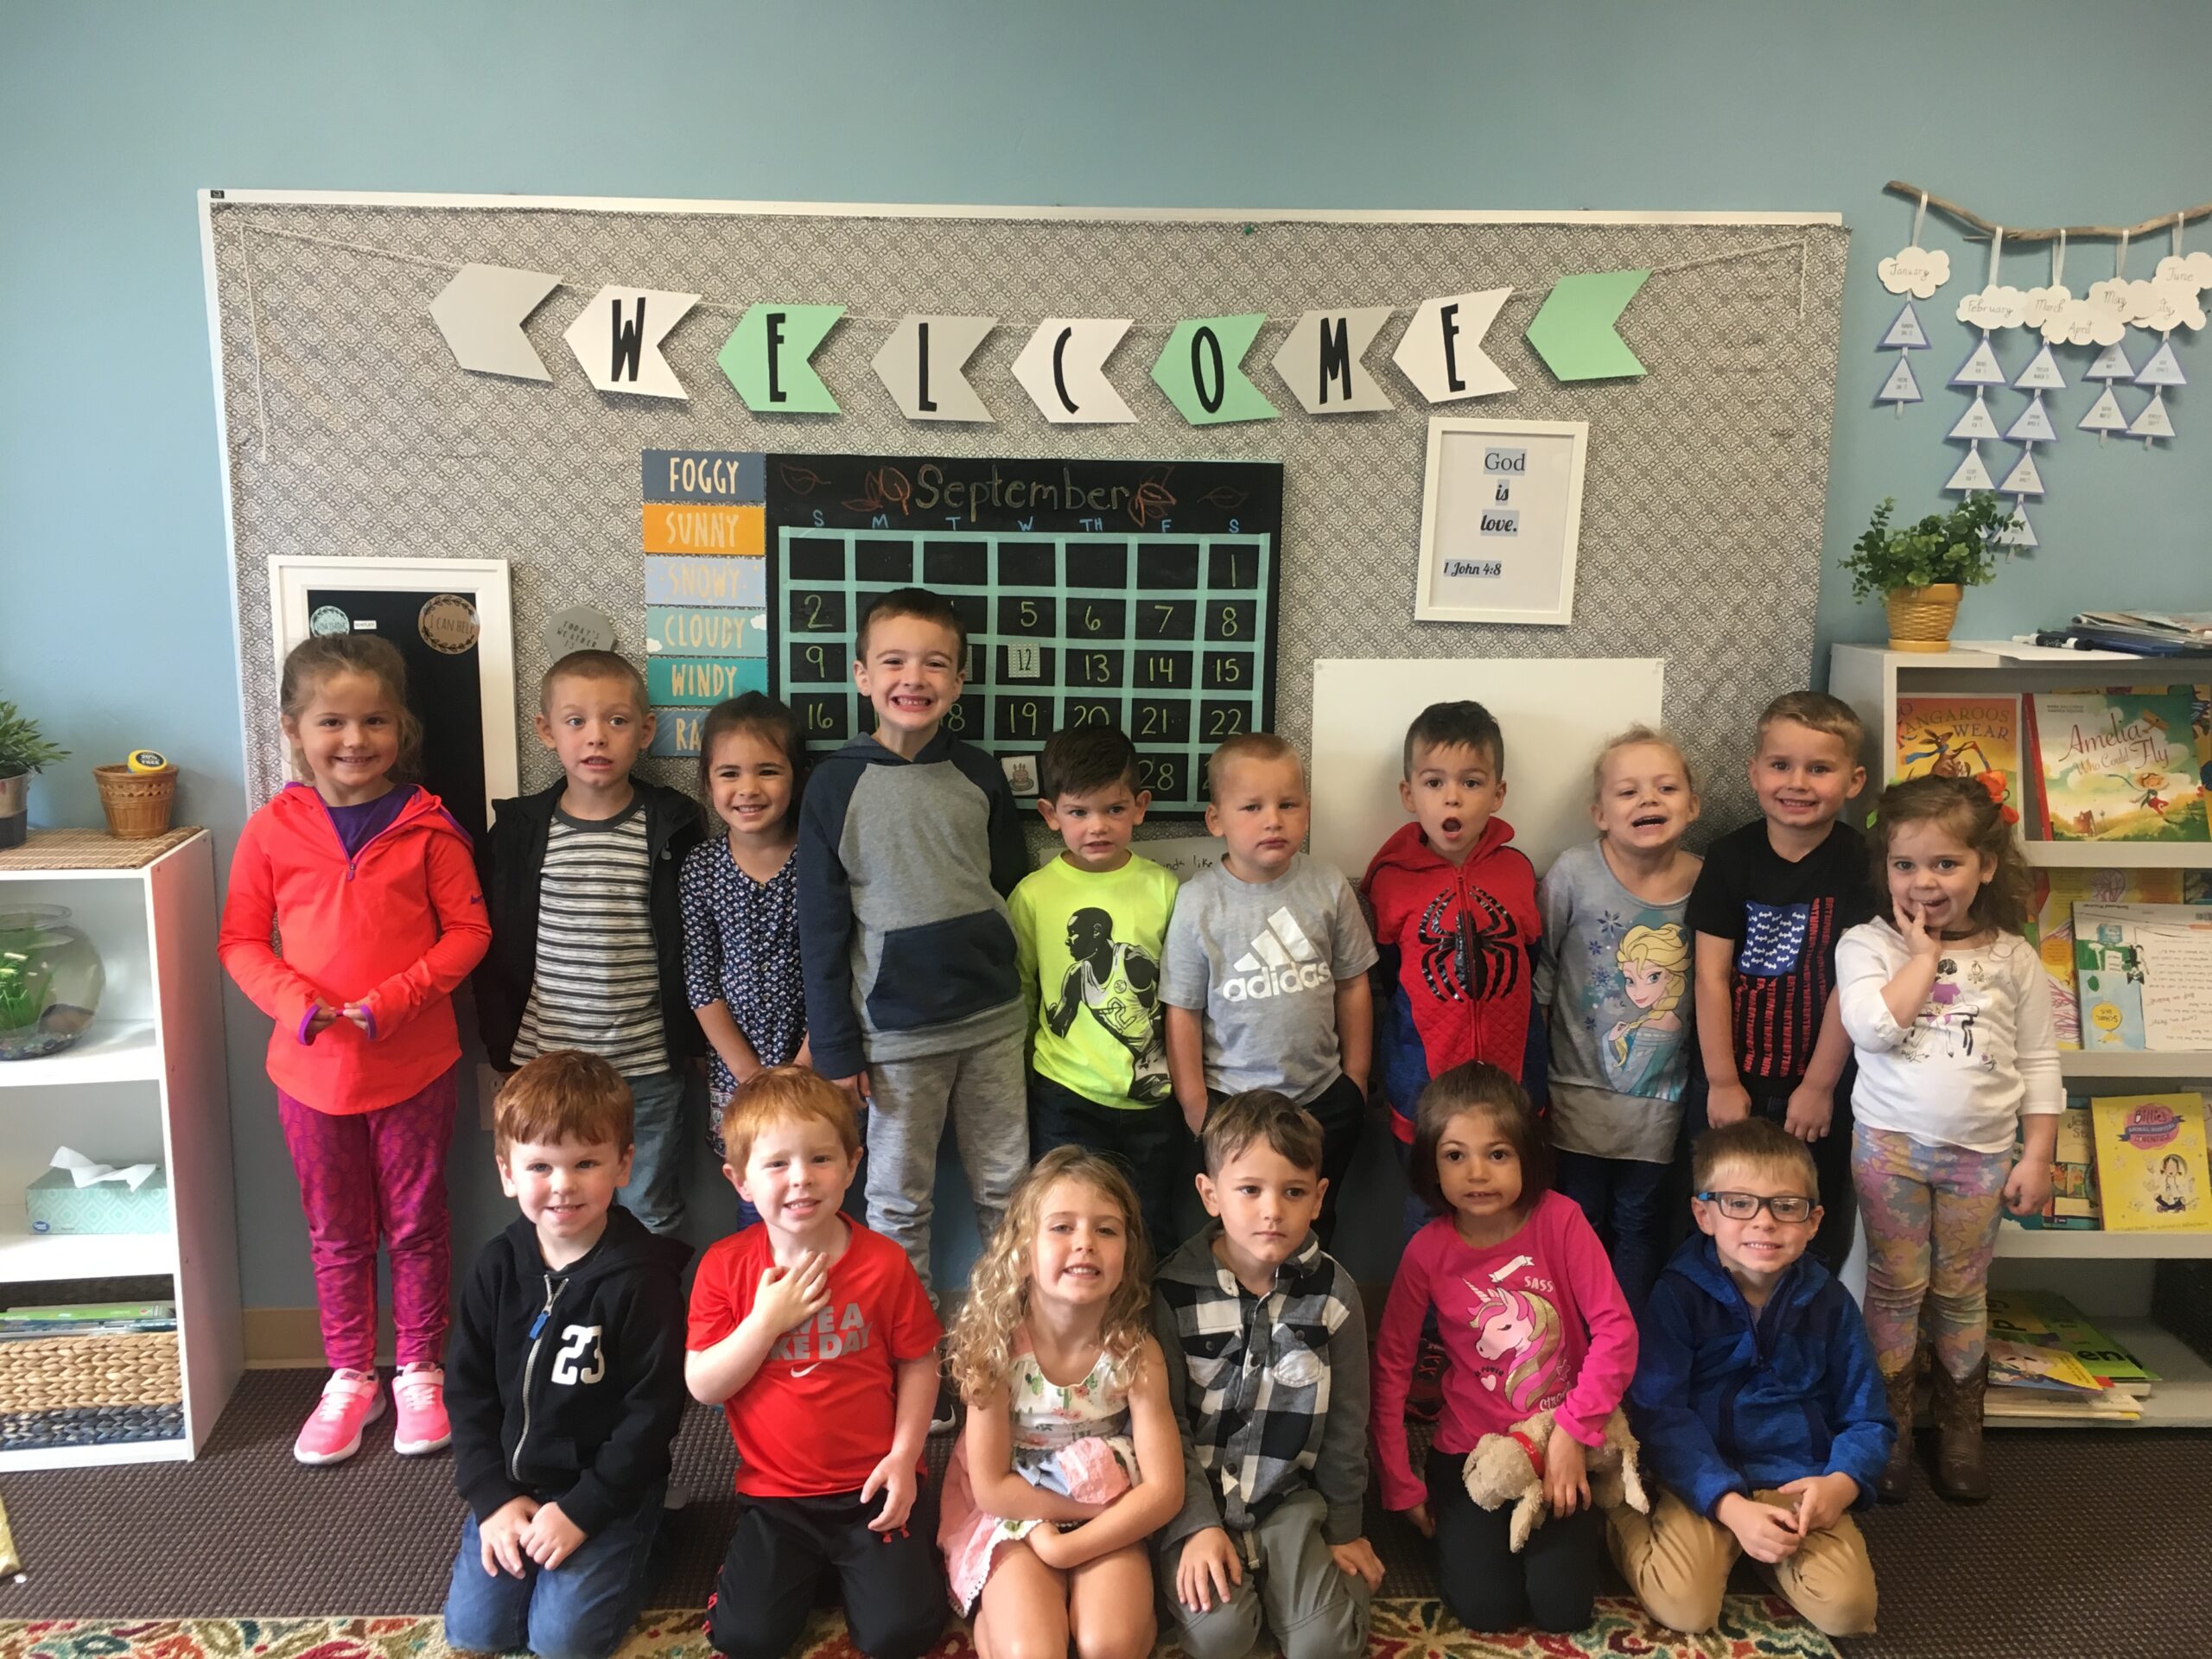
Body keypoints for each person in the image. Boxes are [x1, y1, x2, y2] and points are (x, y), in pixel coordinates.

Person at [219, 632, 492, 1465]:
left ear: (401, 726)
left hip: (414, 1066)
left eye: (374, 720)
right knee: (335, 1232)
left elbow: (469, 932)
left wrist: (397, 999)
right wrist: (294, 1003)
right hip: (310, 1075)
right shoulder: (271, 830)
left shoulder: (429, 827)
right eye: (332, 721)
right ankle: (348, 1376)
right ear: (293, 729)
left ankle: (418, 1370)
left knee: (416, 1223)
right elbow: (240, 940)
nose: (354, 739)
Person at [797, 587, 1030, 1329]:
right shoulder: (834, 784)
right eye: (894, 661)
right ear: (862, 675)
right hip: (895, 1035)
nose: (914, 678)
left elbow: (1011, 885)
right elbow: (820, 929)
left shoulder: (979, 772)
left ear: (959, 681)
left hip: (994, 1021)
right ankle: (912, 1348)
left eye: (935, 664)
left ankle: (1011, 1337)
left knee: (1007, 1189)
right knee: (898, 1200)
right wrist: (836, 1049)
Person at [1835, 772, 2057, 1503]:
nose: (1924, 882)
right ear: (1886, 869)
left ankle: (1961, 1430)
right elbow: (1873, 1027)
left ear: (1985, 866)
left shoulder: (2015, 958)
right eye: (1905, 864)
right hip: (1890, 1149)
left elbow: (2039, 1061)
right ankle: (1888, 1431)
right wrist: (1924, 958)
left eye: (1946, 863)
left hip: (1981, 1156)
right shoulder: (1866, 945)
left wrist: (2038, 1153)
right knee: (1894, 1290)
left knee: (1961, 1293)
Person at [687, 1068, 947, 1659]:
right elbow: (703, 1385)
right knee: (746, 1639)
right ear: (740, 1181)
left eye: (820, 1158)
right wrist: (765, 1323)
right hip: (777, 1497)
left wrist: (905, 1458)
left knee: (900, 1635)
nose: (801, 1177)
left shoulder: (883, 1263)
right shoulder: (724, 1268)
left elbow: (919, 1361)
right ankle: (813, 1571)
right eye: (777, 1164)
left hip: (873, 1485)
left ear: (852, 1166)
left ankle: (849, 1569)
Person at [1370, 1062, 1637, 1636]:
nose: (1476, 1174)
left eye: (1497, 1154)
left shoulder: (1561, 1221)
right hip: (1470, 1451)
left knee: (1562, 1611)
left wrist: (1572, 1432)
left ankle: (1607, 1522)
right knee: (1487, 1610)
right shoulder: (1426, 1251)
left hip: (1557, 1440)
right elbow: (1390, 1367)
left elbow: (1617, 1332)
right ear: (1431, 1165)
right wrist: (1399, 1480)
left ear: (1526, 1156)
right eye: (1454, 1155)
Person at [442, 1052, 690, 1659]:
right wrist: (492, 1498)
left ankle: (655, 1531)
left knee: (563, 1644)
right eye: (540, 1166)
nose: (562, 1185)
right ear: (507, 1172)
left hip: (608, 1488)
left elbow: (652, 1413)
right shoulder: (496, 1268)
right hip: (514, 1483)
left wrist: (585, 1509)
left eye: (585, 1163)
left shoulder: (644, 1280)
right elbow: (467, 1392)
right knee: (477, 1633)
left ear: (623, 1164)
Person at [1610, 1119, 1891, 1639]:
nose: (1764, 1222)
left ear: (1813, 1221)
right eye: (1739, 1204)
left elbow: (1869, 1416)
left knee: (1849, 1612)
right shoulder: (1678, 1295)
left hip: (1796, 1480)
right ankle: (1617, 1511)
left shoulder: (1832, 1304)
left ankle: (1757, 1550)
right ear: (1704, 1214)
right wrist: (1729, 1506)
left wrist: (1842, 1483)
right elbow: (1659, 1412)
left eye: (1786, 1206)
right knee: (1686, 1610)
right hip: (1703, 1480)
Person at [476, 650, 705, 1236]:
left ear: (645, 732)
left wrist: (693, 1040)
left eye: (617, 721)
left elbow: (695, 942)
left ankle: (645, 1301)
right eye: (576, 720)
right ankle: (567, 1299)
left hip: (647, 1064)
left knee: (649, 1210)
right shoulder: (522, 831)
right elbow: (494, 950)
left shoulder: (674, 824)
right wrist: (501, 1048)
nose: (596, 736)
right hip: (547, 1064)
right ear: (546, 731)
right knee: (558, 1210)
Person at [1152, 1091, 1381, 1659]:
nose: (1272, 1210)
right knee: (1222, 1638)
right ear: (1211, 1194)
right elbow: (1164, 1426)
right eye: (1250, 1190)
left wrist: (1346, 1529)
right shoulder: (1172, 1292)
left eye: (1293, 1192)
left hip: (1290, 1503)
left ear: (1318, 1198)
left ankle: (1311, 1592)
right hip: (1199, 1499)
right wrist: (1195, 1525)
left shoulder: (1336, 1296)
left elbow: (1348, 1424)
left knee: (1324, 1648)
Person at [938, 1147, 1184, 1659]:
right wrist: (1057, 1529)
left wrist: (1070, 1545)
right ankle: (994, 1624)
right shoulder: (995, 1348)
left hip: (1110, 1506)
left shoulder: (1137, 1354)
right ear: (1022, 1250)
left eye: (1106, 1230)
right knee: (1032, 1652)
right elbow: (992, 1489)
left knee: (1108, 1646)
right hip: (1017, 1511)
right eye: (1062, 1227)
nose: (1085, 1243)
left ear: (1127, 1255)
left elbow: (1164, 1491)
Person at [1686, 690, 1875, 1273]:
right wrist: (1722, 1080)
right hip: (1731, 1081)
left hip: (1818, 1085)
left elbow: (1853, 983)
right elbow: (1710, 975)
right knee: (1720, 1219)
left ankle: (1801, 1323)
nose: (1797, 783)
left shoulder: (1862, 863)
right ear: (1754, 773)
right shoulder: (1728, 857)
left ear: (1854, 780)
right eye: (1780, 765)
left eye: (1819, 768)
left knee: (1810, 1226)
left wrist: (1818, 1086)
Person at [1163, 734, 1376, 1244]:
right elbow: (1182, 1011)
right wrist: (1196, 1105)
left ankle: (1312, 1297)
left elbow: (1353, 984)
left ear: (1307, 811)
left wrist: (1356, 1079)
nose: (1273, 820)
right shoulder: (1197, 902)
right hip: (1232, 1105)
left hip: (1321, 1097)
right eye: (1252, 807)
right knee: (1241, 1231)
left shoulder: (1328, 886)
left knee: (1315, 1221)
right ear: (1216, 820)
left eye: (1288, 805)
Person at [1537, 726, 1703, 1306]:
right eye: (1628, 791)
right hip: (1575, 1089)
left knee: (1637, 1221)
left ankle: (1625, 1340)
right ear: (1599, 814)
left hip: (1658, 1100)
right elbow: (1544, 971)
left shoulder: (1707, 882)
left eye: (1665, 788)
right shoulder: (1574, 873)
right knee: (1578, 1218)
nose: (1648, 799)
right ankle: (1573, 1334)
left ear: (1692, 805)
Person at [1012, 724, 1185, 1250]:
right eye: (1078, 812)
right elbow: (1024, 993)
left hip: (1152, 1098)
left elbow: (1183, 995)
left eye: (1114, 809)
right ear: (1050, 814)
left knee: (1147, 1226)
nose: (1097, 826)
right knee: (1068, 1225)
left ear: (1140, 807)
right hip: (1066, 1097)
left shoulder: (1164, 888)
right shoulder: (1033, 895)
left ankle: (1146, 1306)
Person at [680, 694, 811, 1224]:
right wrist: (750, 1075)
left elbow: (843, 970)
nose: (748, 788)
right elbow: (700, 981)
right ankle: (761, 1281)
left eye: (768, 771)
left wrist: (803, 1068)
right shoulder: (702, 868)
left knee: (814, 1186)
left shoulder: (821, 860)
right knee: (755, 1195)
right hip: (738, 1069)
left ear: (797, 778)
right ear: (708, 782)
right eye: (730, 773)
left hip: (816, 1060)